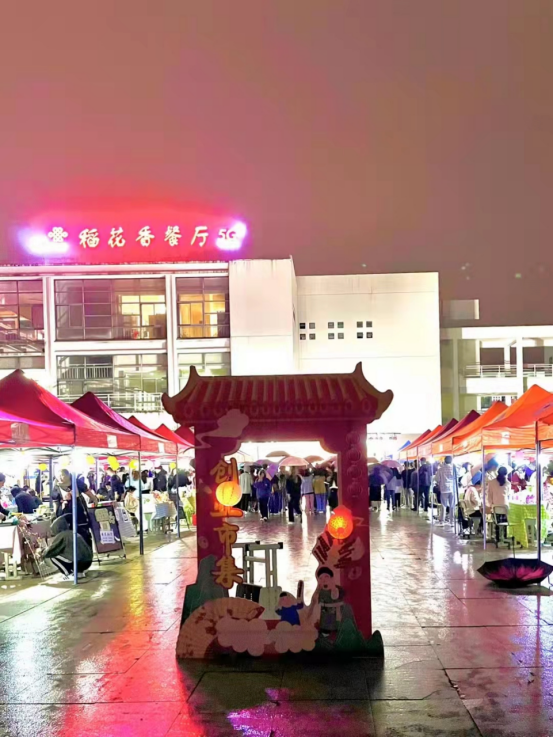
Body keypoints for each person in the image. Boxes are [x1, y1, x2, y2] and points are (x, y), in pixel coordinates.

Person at [42, 514, 93, 579]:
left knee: (52, 557)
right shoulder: (73, 533)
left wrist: (43, 553)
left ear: (56, 528)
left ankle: (68, 573)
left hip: (78, 563)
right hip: (88, 561)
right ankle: (79, 572)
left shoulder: (62, 535)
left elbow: (52, 549)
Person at [435, 455, 455, 525]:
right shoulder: (453, 469)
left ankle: (442, 521)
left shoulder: (441, 469)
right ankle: (452, 521)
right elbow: (457, 477)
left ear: (444, 461)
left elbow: (437, 479)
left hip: (444, 489)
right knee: (452, 505)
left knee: (443, 505)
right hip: (452, 489)